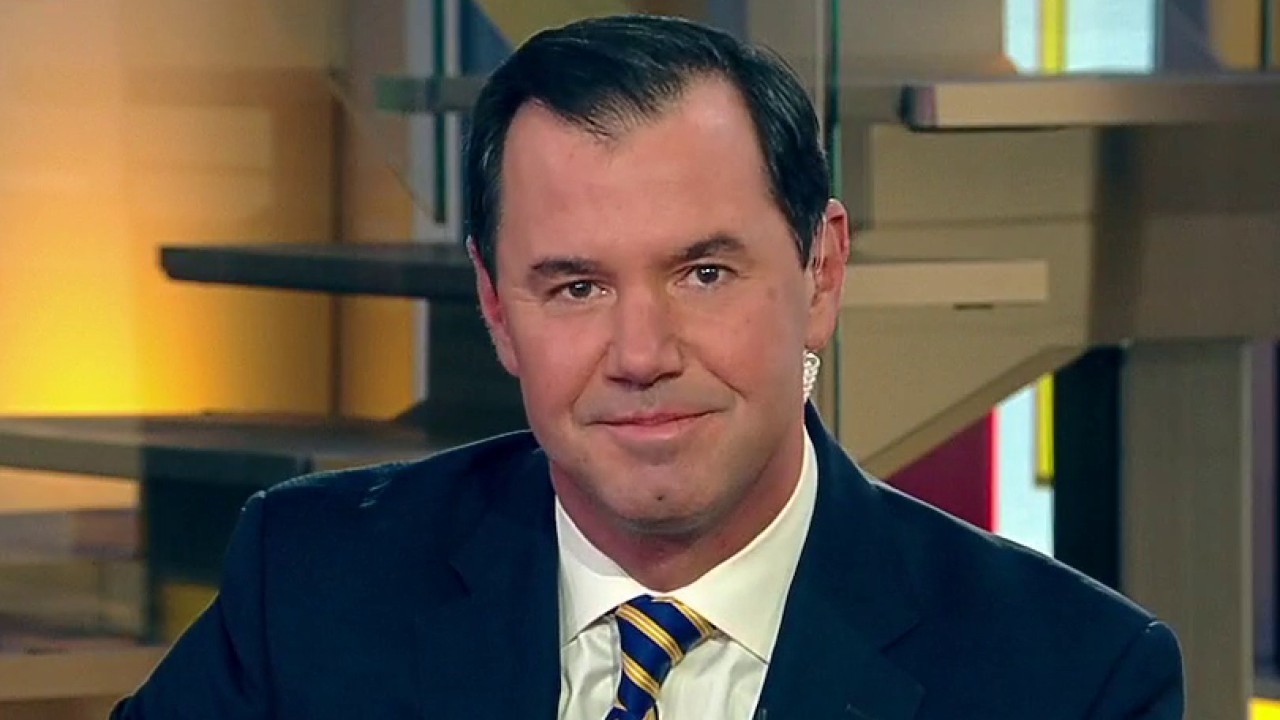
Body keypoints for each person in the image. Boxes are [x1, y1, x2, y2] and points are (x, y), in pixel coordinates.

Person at [111, 13, 1184, 720]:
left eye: (704, 274)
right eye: (576, 287)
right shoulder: (313, 585)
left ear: (820, 272)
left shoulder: (1068, 678)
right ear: (495, 307)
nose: (640, 355)